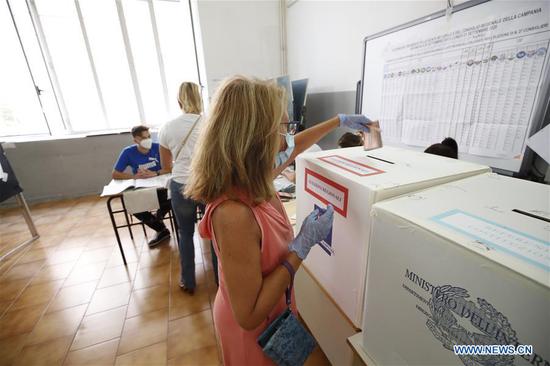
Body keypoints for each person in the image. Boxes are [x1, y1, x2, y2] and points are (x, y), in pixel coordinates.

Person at [184, 75, 373, 365]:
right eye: (282, 127)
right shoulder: (233, 213)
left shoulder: (252, 176)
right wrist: (301, 247)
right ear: (254, 137)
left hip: (276, 312)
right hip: (252, 332)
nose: (286, 136)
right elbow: (249, 316)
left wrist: (338, 120)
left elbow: (294, 146)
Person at [159, 82, 210, 294]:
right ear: (200, 98)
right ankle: (220, 280)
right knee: (213, 233)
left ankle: (188, 281)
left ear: (179, 101)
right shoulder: (210, 123)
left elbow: (164, 167)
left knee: (185, 233)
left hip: (181, 184)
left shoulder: (167, 128)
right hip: (207, 184)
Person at [112, 125, 171, 247]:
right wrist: (135, 177)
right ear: (136, 140)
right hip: (142, 187)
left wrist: (155, 173)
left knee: (173, 195)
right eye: (144, 138)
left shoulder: (158, 147)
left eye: (149, 136)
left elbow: (170, 167)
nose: (148, 140)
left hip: (160, 185)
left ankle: (158, 217)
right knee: (132, 204)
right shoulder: (128, 152)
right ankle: (160, 229)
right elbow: (115, 174)